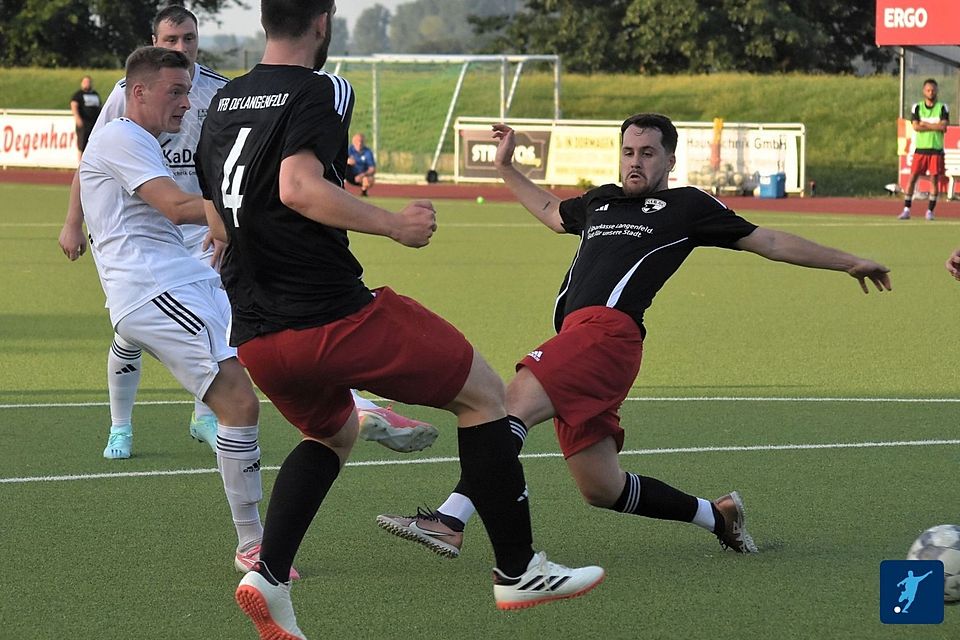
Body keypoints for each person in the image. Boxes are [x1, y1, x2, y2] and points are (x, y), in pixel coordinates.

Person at [195, 2, 604, 637]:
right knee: (487, 397)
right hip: (331, 317)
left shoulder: (223, 102)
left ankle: (269, 575)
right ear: (324, 20)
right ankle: (518, 571)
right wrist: (394, 224)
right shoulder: (324, 87)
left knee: (332, 433)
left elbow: (218, 219)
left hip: (255, 334)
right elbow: (297, 186)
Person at [377, 115, 892, 561]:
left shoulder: (687, 206)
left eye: (647, 153)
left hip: (608, 333)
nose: (635, 161)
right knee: (601, 487)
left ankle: (449, 519)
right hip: (584, 342)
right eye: (628, 151)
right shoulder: (601, 202)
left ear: (669, 160)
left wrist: (849, 262)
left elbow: (772, 241)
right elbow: (552, 212)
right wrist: (508, 168)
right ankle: (719, 517)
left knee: (509, 406)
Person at [56, 4, 434, 461]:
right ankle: (122, 426)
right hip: (159, 225)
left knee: (236, 321)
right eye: (171, 41)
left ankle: (335, 406)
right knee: (138, 333)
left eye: (189, 39)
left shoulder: (219, 90)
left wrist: (226, 219)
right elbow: (94, 158)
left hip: (207, 222)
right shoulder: (126, 96)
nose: (182, 48)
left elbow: (225, 159)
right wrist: (73, 221)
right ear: (153, 45)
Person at [77, 44, 290, 585]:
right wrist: (253, 207)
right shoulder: (122, 135)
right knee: (238, 400)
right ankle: (252, 546)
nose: (186, 103)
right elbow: (176, 207)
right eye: (176, 92)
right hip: (153, 290)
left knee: (268, 357)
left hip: (185, 278)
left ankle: (358, 406)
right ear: (138, 92)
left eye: (189, 91)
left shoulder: (144, 137)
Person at [899, 79, 949, 221]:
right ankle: (907, 209)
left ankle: (930, 211)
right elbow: (915, 126)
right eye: (928, 90)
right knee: (912, 178)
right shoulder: (917, 107)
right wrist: (934, 125)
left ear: (936, 91)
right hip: (920, 149)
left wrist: (925, 124)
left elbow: (943, 127)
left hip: (936, 150)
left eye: (933, 90)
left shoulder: (942, 107)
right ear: (924, 91)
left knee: (934, 180)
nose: (931, 92)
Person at [70, 75, 101, 159]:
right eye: (85, 82)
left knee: (93, 145)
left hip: (94, 124)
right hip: (84, 124)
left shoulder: (95, 94)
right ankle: (80, 166)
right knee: (82, 145)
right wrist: (77, 118)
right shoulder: (78, 94)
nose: (86, 84)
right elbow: (74, 105)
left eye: (88, 82)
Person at [346, 132, 376, 196]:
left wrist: (362, 175)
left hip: (362, 176)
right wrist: (347, 161)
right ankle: (339, 189)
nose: (359, 143)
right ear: (353, 142)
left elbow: (372, 168)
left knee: (370, 179)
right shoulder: (349, 150)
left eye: (361, 141)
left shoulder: (367, 152)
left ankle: (364, 192)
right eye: (357, 141)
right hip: (349, 175)